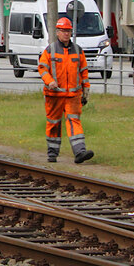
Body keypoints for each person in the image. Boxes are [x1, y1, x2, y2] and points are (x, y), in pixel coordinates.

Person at [37, 16, 94, 164]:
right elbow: (43, 68)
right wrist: (50, 82)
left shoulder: (78, 51)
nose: (66, 34)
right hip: (54, 95)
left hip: (73, 96)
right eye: (63, 31)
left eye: (68, 31)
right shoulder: (50, 51)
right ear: (57, 32)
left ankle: (80, 152)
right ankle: (52, 153)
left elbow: (84, 72)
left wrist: (86, 91)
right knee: (54, 123)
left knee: (74, 121)